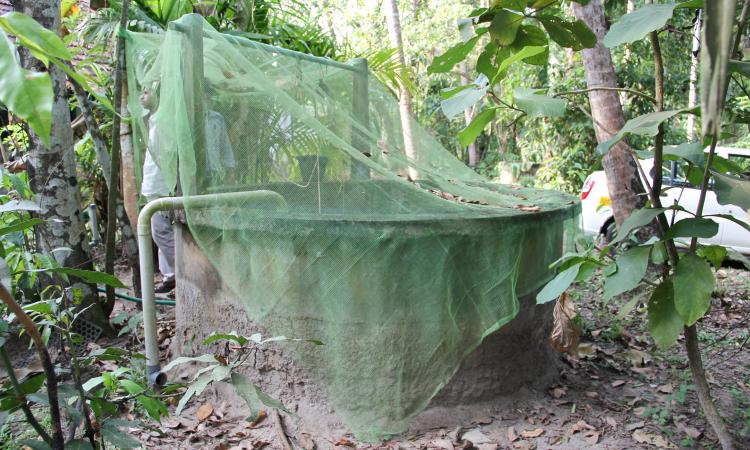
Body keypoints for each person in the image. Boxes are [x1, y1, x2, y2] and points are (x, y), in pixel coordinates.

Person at [140, 85, 176, 295]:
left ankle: (185, 275)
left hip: (162, 184)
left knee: (161, 231)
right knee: (161, 231)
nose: (141, 97)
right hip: (154, 183)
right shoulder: (153, 119)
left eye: (146, 92)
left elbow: (168, 155)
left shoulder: (164, 120)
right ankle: (170, 277)